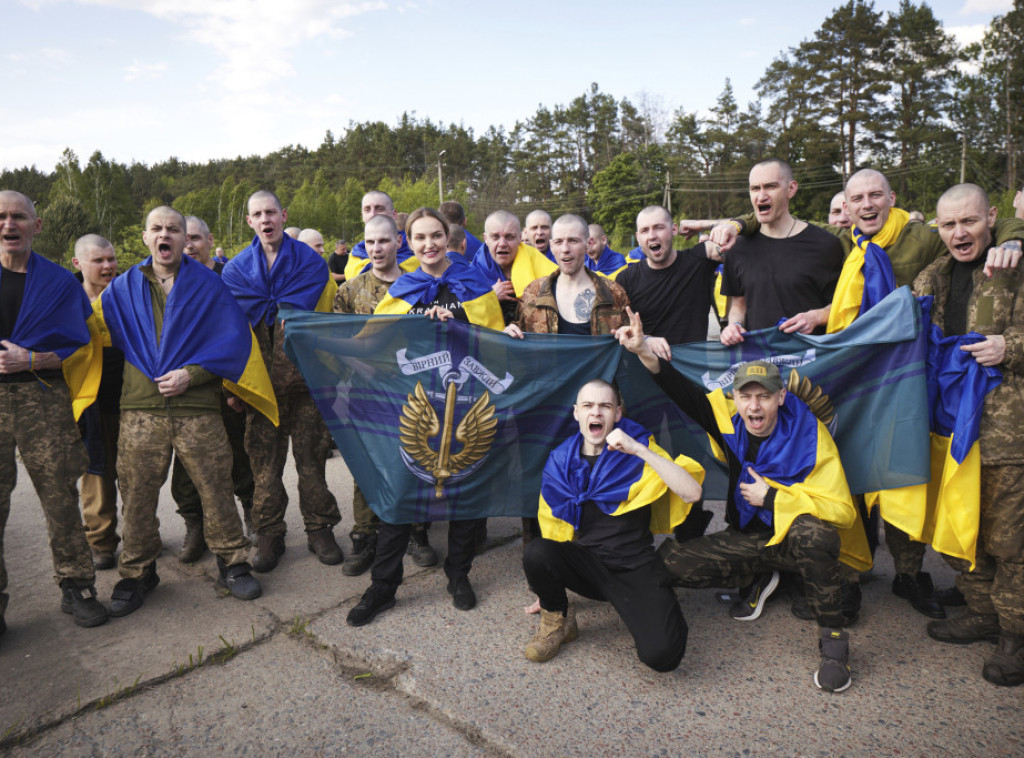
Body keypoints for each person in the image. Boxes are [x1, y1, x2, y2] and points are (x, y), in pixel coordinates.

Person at [711, 168, 1024, 619]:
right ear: (847, 206)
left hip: (910, 381)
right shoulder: (843, 244)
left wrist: (1012, 236)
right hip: (851, 378)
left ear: (891, 198)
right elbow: (771, 215)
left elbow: (979, 225)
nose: (866, 205)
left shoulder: (925, 239)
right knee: (851, 473)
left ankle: (910, 576)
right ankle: (847, 571)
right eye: (856, 198)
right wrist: (738, 224)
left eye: (876, 195)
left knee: (906, 475)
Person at [619, 309, 871, 692]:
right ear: (734, 398)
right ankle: (761, 576)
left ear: (781, 397)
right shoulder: (728, 421)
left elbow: (840, 511)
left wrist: (772, 498)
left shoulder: (810, 435)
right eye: (745, 397)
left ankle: (834, 643)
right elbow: (679, 390)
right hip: (750, 540)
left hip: (792, 540)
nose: (754, 407)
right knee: (670, 564)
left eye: (764, 397)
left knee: (814, 536)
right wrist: (642, 350)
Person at [96, 206, 263, 616]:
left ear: (186, 238)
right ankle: (137, 572)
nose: (165, 235)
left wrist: (193, 374)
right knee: (136, 495)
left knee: (216, 488)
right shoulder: (122, 289)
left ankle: (233, 563)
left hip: (196, 408)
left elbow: (231, 345)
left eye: (174, 229)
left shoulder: (208, 285)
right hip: (140, 409)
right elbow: (98, 338)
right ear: (145, 237)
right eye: (157, 228)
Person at [347, 207, 503, 626]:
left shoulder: (474, 283)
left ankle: (459, 576)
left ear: (447, 238)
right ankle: (382, 588)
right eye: (420, 238)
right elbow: (372, 345)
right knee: (400, 496)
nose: (429, 244)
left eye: (436, 236)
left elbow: (496, 346)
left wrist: (461, 323)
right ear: (408, 243)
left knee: (466, 497)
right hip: (413, 407)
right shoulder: (404, 287)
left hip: (467, 402)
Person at [915, 184, 1024, 687]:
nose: (959, 233)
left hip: (1006, 434)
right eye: (949, 225)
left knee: (1012, 540)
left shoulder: (1015, 267)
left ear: (992, 218)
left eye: (970, 222)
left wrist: (1011, 346)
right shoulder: (931, 277)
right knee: (964, 529)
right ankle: (982, 613)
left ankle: (1015, 635)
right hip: (951, 430)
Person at [522, 379, 703, 671]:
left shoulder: (639, 449)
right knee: (536, 552)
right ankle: (558, 622)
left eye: (605, 406)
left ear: (617, 414)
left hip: (635, 568)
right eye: (588, 406)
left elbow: (692, 493)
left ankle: (661, 603)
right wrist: (547, 591)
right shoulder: (560, 459)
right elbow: (553, 529)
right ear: (576, 413)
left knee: (662, 657)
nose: (596, 413)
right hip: (588, 567)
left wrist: (639, 451)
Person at [0, 190, 108, 634]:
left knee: (61, 497)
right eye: (2, 217)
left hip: (41, 397)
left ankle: (77, 586)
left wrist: (31, 359)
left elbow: (78, 347)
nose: (9, 225)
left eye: (19, 217)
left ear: (36, 226)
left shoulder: (58, 283)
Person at [222, 191, 344, 572]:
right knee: (264, 467)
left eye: (270, 212)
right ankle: (270, 532)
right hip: (261, 390)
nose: (265, 219)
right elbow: (230, 334)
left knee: (311, 462)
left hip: (306, 384)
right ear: (249, 222)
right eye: (256, 214)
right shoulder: (236, 271)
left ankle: (319, 528)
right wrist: (234, 387)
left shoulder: (311, 263)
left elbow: (326, 322)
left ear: (283, 214)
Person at [504, 213, 631, 552]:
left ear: (588, 244)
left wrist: (643, 341)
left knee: (596, 477)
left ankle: (593, 551)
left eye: (573, 240)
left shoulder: (613, 294)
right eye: (558, 241)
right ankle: (542, 554)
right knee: (541, 480)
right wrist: (507, 335)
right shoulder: (533, 292)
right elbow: (518, 349)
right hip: (545, 407)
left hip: (595, 411)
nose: (564, 248)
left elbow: (630, 351)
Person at [170, 215, 255, 562]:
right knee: (185, 467)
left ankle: (251, 513)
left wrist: (238, 389)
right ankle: (195, 524)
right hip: (186, 392)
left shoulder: (228, 279)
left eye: (194, 238)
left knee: (239, 456)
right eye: (183, 238)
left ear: (209, 240)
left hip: (224, 388)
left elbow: (241, 337)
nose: (188, 245)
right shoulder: (168, 283)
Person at [332, 214, 405, 576]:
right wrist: (364, 368)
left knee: (412, 461)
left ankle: (416, 533)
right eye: (370, 242)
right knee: (367, 466)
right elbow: (337, 340)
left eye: (384, 241)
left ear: (398, 243)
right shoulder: (349, 289)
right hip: (364, 392)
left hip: (410, 393)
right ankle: (365, 537)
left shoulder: (416, 286)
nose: (377, 249)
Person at [719, 159, 845, 346]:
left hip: (811, 364)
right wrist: (734, 326)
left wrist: (817, 317)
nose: (761, 196)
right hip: (759, 366)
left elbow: (846, 304)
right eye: (755, 188)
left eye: (770, 187)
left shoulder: (826, 245)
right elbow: (739, 304)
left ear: (791, 189)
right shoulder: (737, 248)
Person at [71, 234, 123, 570]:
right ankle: (101, 542)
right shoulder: (65, 301)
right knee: (96, 476)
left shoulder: (128, 294)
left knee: (136, 474)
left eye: (111, 259)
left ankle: (142, 536)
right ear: (77, 264)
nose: (107, 266)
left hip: (131, 397)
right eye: (98, 261)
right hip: (88, 402)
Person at [614, 206, 720, 346]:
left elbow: (744, 234)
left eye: (659, 227)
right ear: (638, 238)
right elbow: (615, 330)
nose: (652, 235)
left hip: (693, 366)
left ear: (674, 229)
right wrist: (645, 339)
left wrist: (701, 224)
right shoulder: (626, 279)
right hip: (644, 364)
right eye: (645, 230)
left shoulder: (699, 260)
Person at [476, 210, 557, 325]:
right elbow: (463, 315)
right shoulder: (474, 271)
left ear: (520, 238)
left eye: (509, 237)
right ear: (486, 238)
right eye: (495, 237)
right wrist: (490, 297)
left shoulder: (537, 261)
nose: (502, 243)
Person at [343, 191, 417, 282]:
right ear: (362, 216)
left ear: (393, 215)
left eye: (379, 209)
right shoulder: (357, 253)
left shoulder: (416, 248)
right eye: (367, 210)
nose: (372, 214)